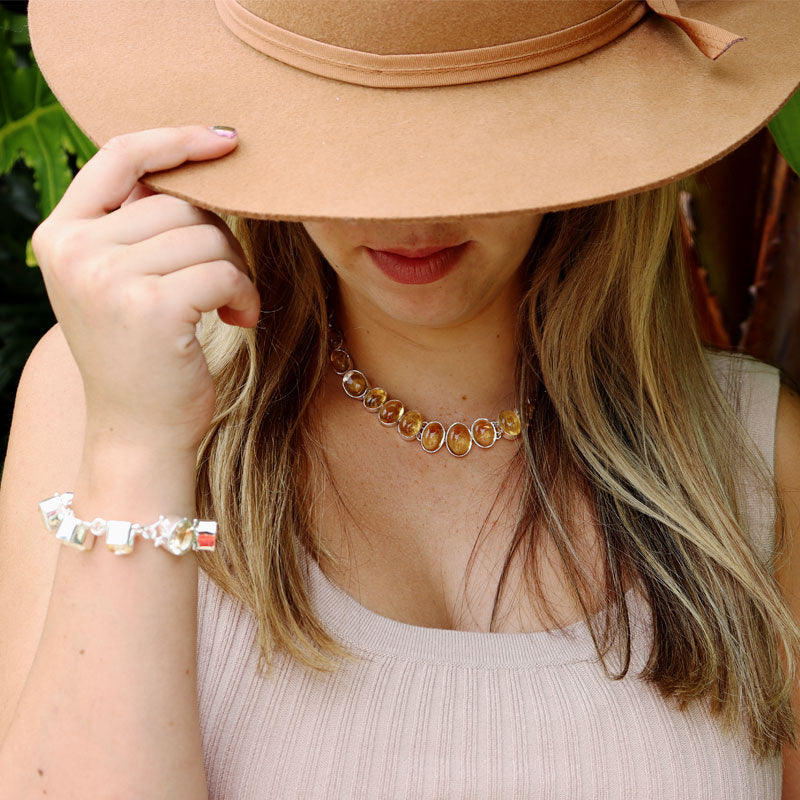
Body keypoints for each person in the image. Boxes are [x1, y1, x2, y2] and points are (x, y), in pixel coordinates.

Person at [2, 1, 800, 797]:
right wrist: (138, 444)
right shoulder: (102, 399)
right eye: (347, 127)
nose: (407, 210)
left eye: (470, 130)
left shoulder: (758, 457)